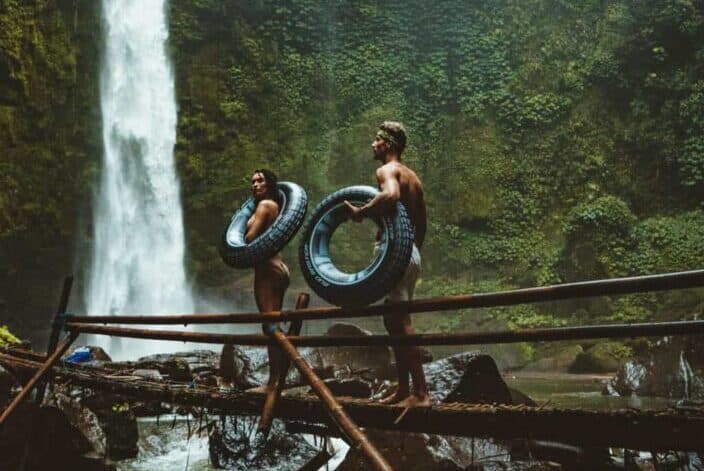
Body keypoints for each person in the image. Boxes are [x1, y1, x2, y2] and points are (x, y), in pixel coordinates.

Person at [344, 121, 430, 408]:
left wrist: (362, 212)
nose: (372, 144)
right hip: (410, 253)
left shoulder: (387, 171)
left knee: (401, 320)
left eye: (377, 140)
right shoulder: (413, 177)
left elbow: (391, 195)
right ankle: (404, 389)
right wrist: (411, 250)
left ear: (388, 145)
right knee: (392, 319)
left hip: (396, 253)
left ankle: (421, 393)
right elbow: (423, 223)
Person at [220, 169, 290, 396]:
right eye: (252, 181)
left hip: (267, 270)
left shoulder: (264, 206)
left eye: (260, 180)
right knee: (273, 324)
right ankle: (278, 378)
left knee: (270, 326)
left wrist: (244, 231)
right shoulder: (274, 207)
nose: (255, 184)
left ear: (269, 185)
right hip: (278, 267)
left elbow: (249, 239)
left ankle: (274, 383)